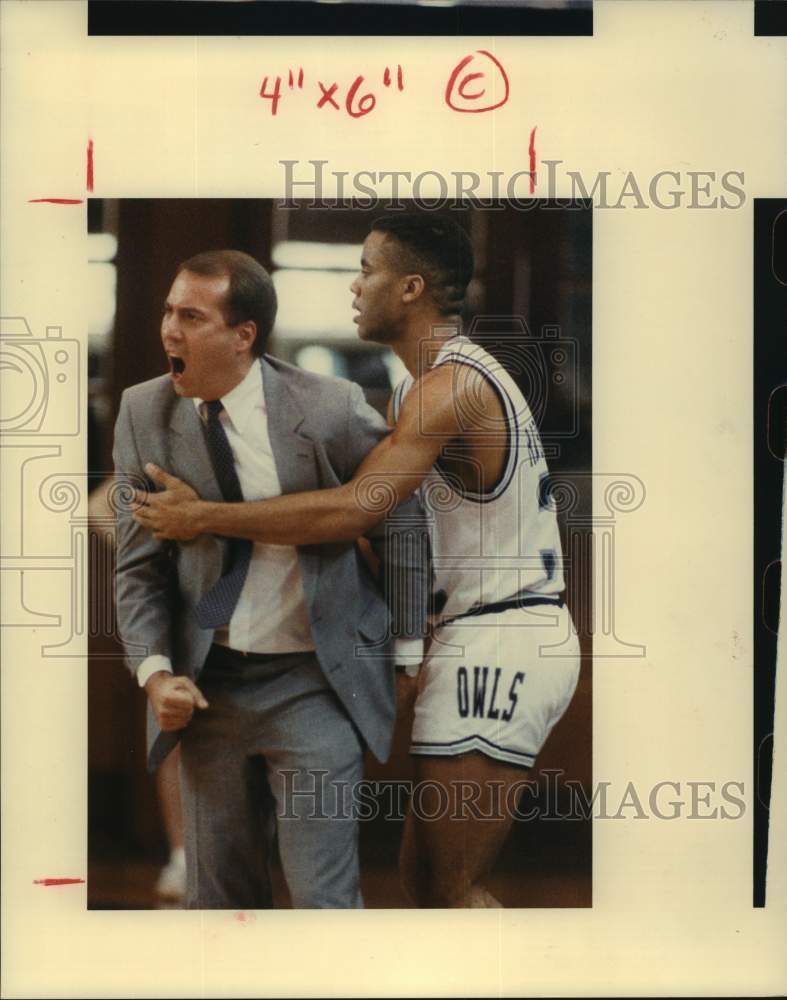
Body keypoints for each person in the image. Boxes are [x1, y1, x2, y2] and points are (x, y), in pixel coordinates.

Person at [133, 218, 581, 908]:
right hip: (475, 628)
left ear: (409, 288)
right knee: (431, 886)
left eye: (367, 269)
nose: (354, 284)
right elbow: (372, 530)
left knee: (444, 885)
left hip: (505, 633)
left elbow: (351, 510)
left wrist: (206, 517)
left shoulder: (448, 390)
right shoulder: (415, 390)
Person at [113, 249, 428, 909]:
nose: (169, 329)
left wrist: (406, 651)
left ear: (242, 336)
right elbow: (138, 569)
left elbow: (395, 522)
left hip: (315, 684)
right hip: (210, 686)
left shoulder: (330, 408)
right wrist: (156, 672)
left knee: (323, 900)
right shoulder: (144, 413)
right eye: (168, 311)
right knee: (220, 903)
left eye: (191, 316)